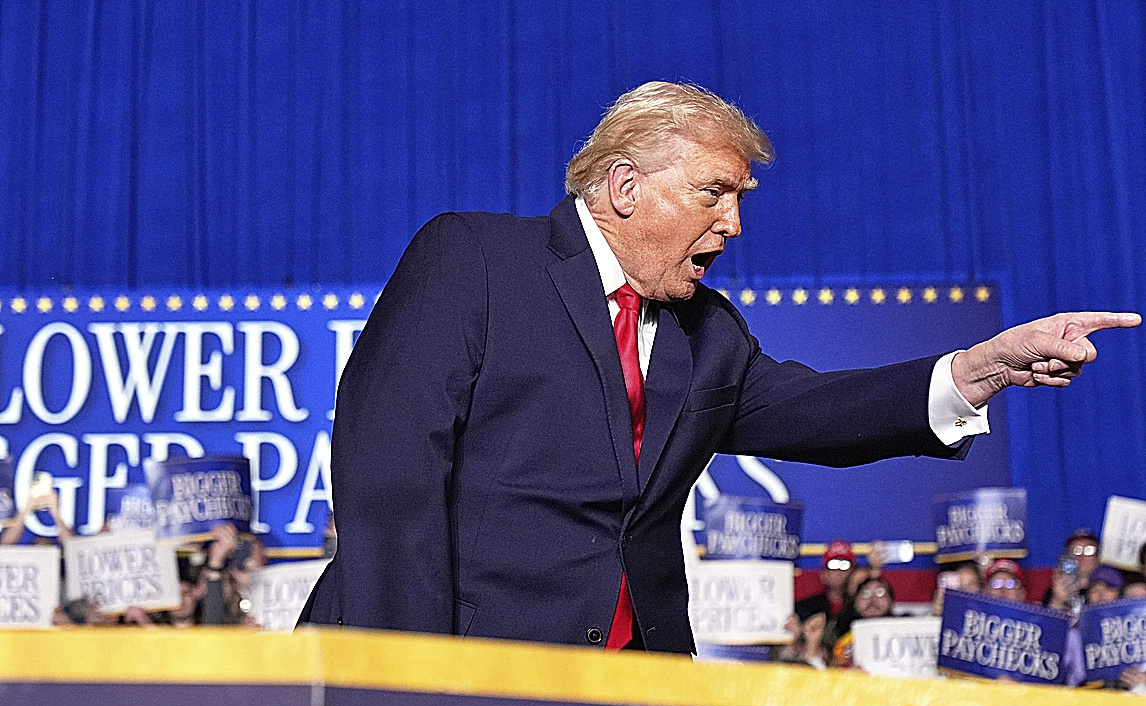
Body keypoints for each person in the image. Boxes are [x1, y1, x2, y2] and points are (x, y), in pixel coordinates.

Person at [298, 81, 1140, 654]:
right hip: (463, 676)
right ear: (625, 187)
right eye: (714, 193)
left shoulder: (709, 333)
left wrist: (981, 369)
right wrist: (408, 679)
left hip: (637, 694)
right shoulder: (477, 260)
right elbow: (389, 476)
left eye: (740, 199)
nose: (733, 225)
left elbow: (819, 411)